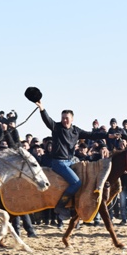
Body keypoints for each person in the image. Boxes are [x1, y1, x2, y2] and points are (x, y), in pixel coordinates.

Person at [28, 87, 113, 219]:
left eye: (67, 118)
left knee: (85, 177)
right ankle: (61, 206)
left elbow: (92, 135)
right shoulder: (57, 128)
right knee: (76, 183)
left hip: (71, 160)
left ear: (72, 119)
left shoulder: (76, 131)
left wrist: (109, 136)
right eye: (62, 118)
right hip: (58, 163)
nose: (64, 120)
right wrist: (41, 108)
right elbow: (47, 120)